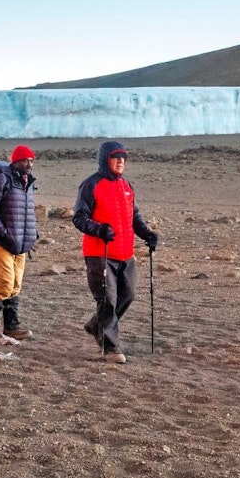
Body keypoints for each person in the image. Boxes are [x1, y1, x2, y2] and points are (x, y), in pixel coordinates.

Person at [72, 141, 158, 364]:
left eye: (123, 158)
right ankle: (110, 346)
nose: (120, 161)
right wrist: (98, 229)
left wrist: (147, 234)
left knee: (127, 295)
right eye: (115, 157)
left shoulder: (126, 186)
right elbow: (79, 217)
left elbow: (133, 216)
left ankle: (95, 325)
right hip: (100, 252)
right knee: (108, 299)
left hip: (125, 253)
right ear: (105, 160)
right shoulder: (91, 185)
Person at [0, 144, 39, 341]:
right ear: (16, 161)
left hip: (20, 242)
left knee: (16, 285)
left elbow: (26, 212)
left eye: (31, 160)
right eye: (25, 160)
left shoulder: (27, 184)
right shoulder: (2, 180)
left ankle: (12, 325)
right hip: (0, 241)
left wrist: (32, 233)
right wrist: (3, 233)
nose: (29, 164)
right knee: (4, 283)